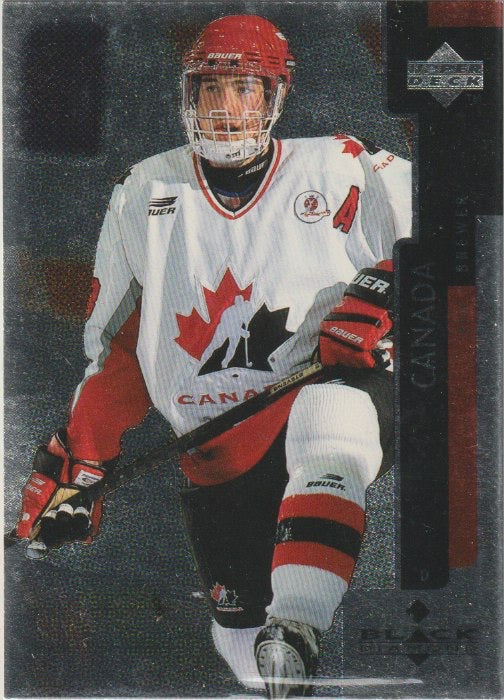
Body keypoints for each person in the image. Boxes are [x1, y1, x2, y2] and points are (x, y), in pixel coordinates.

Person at [15, 14, 411, 698]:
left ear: (276, 96)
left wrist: (384, 291)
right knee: (245, 655)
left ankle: (300, 620)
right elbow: (121, 348)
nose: (227, 107)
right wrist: (83, 454)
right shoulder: (143, 191)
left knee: (330, 415)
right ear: (188, 96)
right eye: (211, 89)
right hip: (219, 449)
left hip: (324, 386)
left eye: (246, 89)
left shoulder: (341, 165)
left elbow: (451, 232)